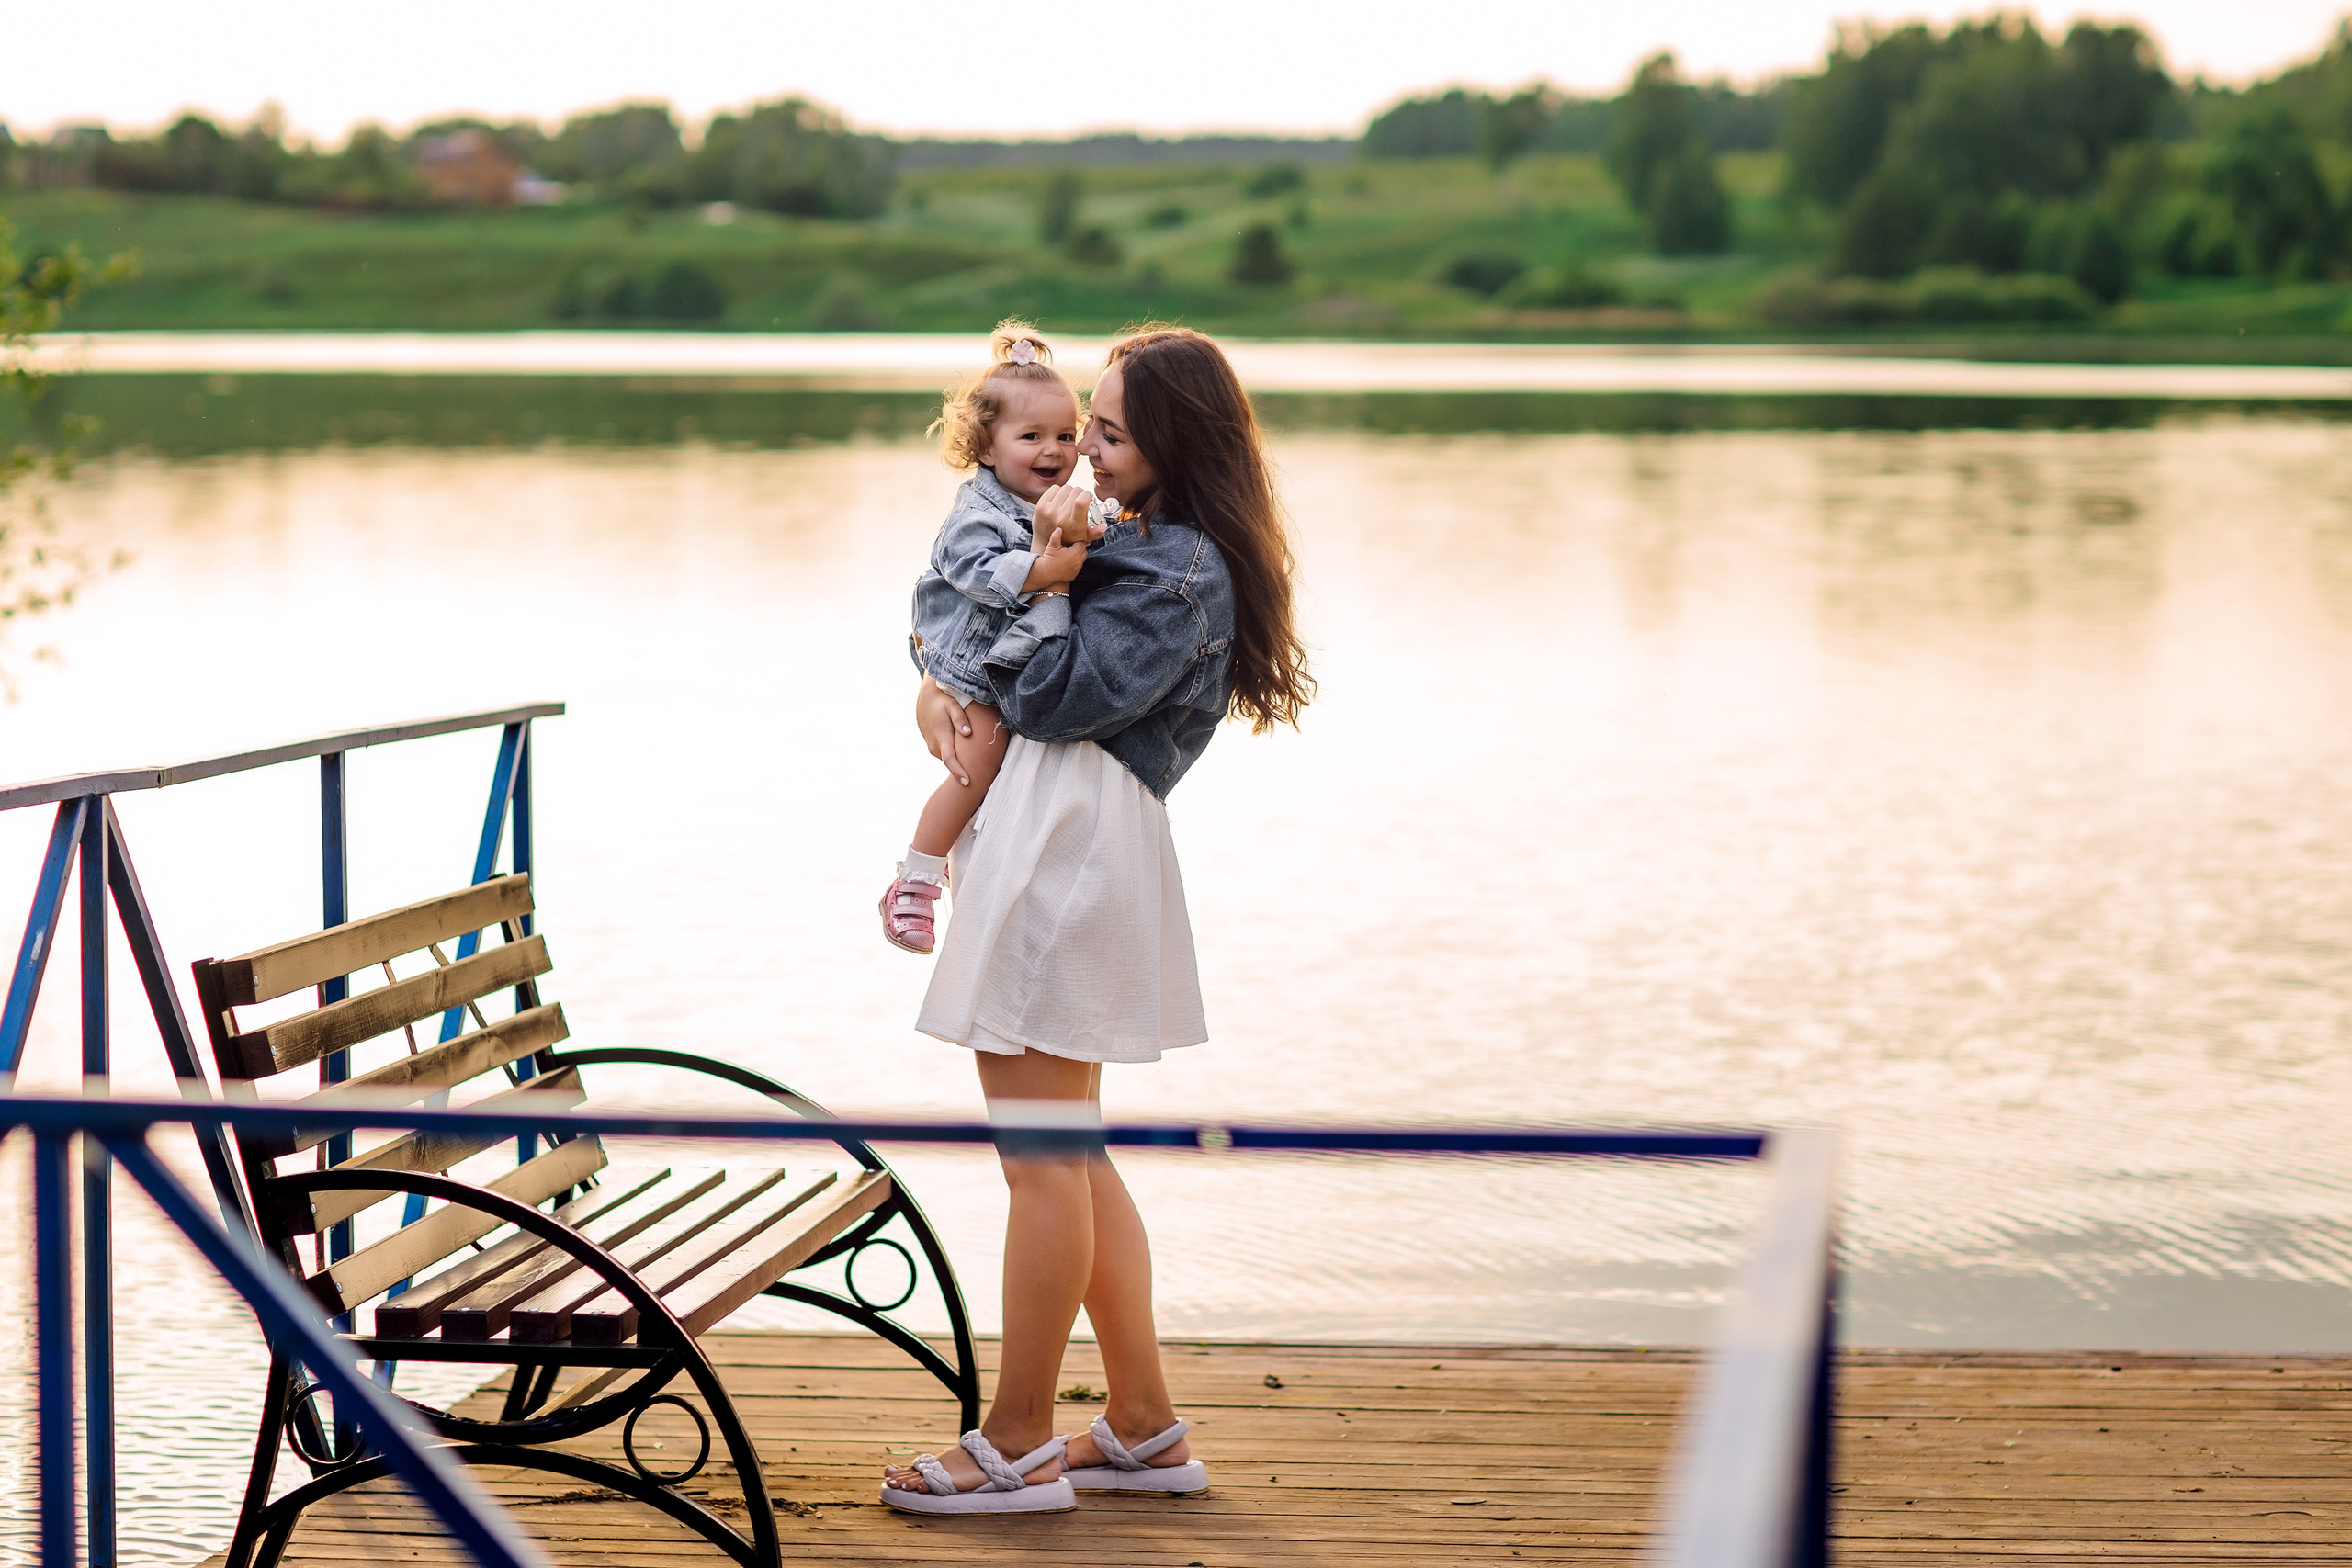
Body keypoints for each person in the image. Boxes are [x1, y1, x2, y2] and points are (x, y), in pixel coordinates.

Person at [880, 326, 1313, 1515]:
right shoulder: (1132, 536)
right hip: (1061, 841)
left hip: (1066, 852)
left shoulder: (1175, 566)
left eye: (1110, 430)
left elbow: (1049, 691)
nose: (1085, 447)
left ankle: (1015, 1441)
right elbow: (962, 617)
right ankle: (1141, 1423)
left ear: (1171, 441)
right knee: (1072, 1149)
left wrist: (1037, 593)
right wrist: (936, 676)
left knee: (1042, 1159)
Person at [881, 319, 1107, 955]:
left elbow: (1102, 525)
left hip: (997, 669)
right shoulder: (976, 513)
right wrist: (1044, 570)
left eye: (1066, 435)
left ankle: (950, 859)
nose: (1054, 450)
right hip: (968, 670)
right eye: (1030, 436)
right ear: (985, 448)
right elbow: (976, 574)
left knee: (992, 776)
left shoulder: (1060, 497)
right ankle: (916, 879)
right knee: (975, 768)